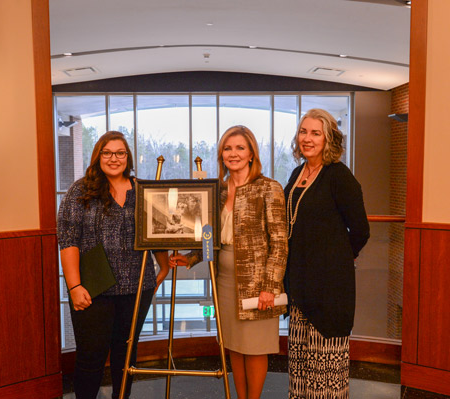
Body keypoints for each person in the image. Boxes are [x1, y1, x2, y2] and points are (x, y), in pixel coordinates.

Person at [169, 126, 288, 399]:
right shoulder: (218, 190)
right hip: (223, 279)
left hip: (258, 282)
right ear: (221, 154)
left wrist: (270, 286)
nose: (233, 153)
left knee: (255, 347)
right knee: (234, 345)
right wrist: (191, 258)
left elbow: (280, 243)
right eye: (227, 148)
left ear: (251, 154)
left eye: (240, 148)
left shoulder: (268, 188)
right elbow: (212, 237)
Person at [57, 131, 169, 399]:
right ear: (98, 156)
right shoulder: (80, 190)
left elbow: (158, 232)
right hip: (93, 289)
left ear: (127, 157)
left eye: (120, 153)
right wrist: (74, 286)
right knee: (90, 357)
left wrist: (163, 268)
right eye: (107, 152)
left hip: (136, 287)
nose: (114, 158)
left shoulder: (143, 189)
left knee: (126, 357)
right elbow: (68, 240)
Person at [284, 109, 370, 399]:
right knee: (300, 368)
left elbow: (360, 230)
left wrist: (340, 260)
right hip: (300, 287)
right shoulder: (298, 173)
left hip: (330, 290)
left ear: (329, 138)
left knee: (325, 372)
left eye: (315, 133)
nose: (307, 138)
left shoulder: (339, 176)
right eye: (303, 131)